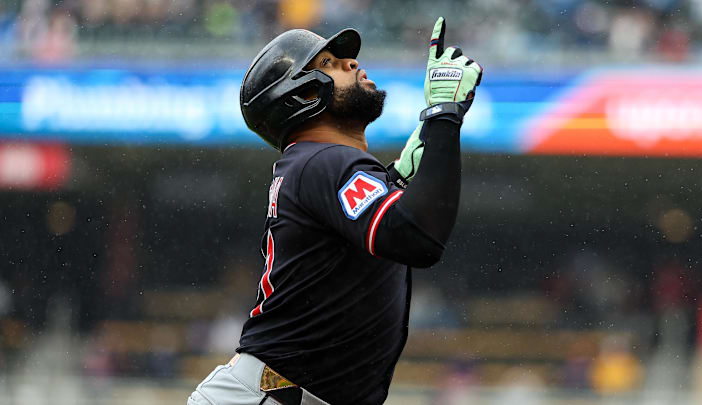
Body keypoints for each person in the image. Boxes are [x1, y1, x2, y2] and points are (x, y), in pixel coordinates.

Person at [188, 16, 482, 405]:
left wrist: (398, 180)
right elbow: (416, 238)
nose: (352, 63)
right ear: (302, 95)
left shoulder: (315, 163)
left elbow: (382, 234)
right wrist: (443, 113)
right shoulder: (323, 161)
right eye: (328, 63)